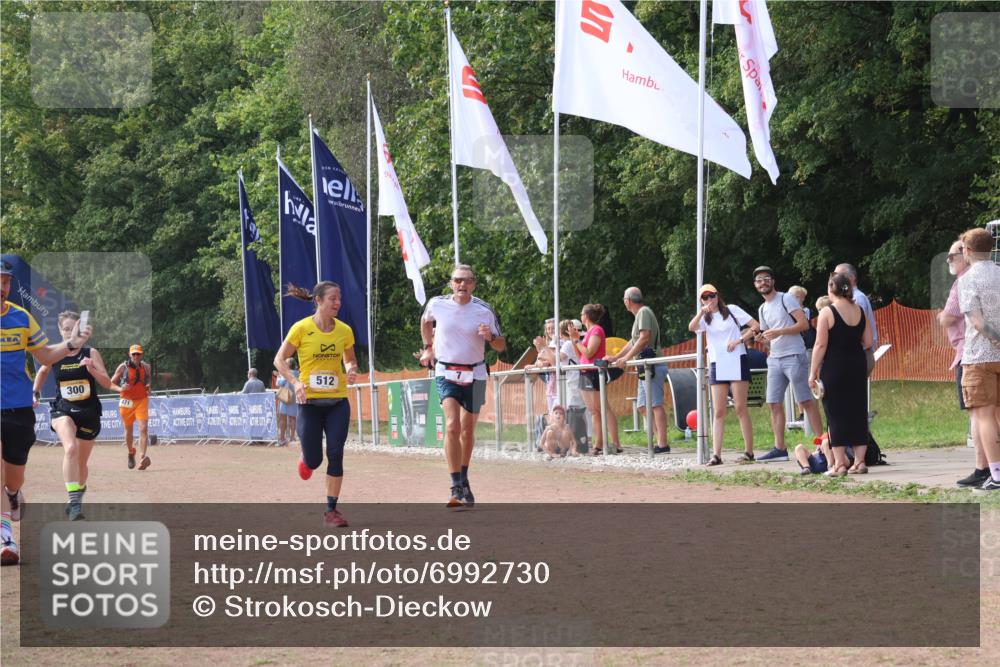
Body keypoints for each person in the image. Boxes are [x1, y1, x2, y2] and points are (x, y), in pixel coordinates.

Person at [2, 260, 92, 565]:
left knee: (13, 475)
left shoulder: (21, 317)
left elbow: (44, 356)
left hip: (17, 407)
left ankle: (12, 493)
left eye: (5, 282)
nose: (2, 288)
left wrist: (70, 343)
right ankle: (6, 538)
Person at [419, 265, 505, 507]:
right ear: (450, 284)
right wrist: (428, 347)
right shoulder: (437, 304)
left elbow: (500, 345)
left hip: (476, 373)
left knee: (467, 431)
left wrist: (490, 337)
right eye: (457, 280)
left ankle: (464, 478)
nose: (462, 285)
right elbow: (425, 321)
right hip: (446, 371)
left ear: (474, 284)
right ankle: (455, 484)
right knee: (452, 426)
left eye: (467, 281)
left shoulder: (484, 310)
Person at [274, 281, 359, 526]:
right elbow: (279, 359)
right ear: (318, 301)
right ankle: (306, 459)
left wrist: (351, 369)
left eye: (339, 298)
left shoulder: (344, 331)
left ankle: (331, 511)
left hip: (337, 403)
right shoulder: (301, 329)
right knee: (314, 460)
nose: (338, 303)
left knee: (336, 452)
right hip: (309, 403)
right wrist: (295, 382)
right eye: (332, 298)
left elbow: (350, 360)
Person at [32, 311, 120, 520]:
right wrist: (35, 392)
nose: (70, 332)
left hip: (89, 413)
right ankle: (73, 502)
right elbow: (43, 370)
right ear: (61, 331)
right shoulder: (55, 353)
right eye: (67, 329)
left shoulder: (91, 352)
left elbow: (107, 383)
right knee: (70, 448)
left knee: (81, 464)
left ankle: (77, 494)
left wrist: (91, 369)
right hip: (63, 410)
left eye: (74, 329)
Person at [751, 266, 824, 461]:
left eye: (766, 278)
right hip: (774, 358)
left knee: (806, 401)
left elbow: (804, 324)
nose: (763, 282)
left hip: (794, 355)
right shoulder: (762, 308)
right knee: (773, 403)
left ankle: (823, 443)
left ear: (773, 281)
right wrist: (762, 340)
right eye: (759, 280)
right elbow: (769, 338)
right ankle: (780, 449)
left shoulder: (786, 299)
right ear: (755, 285)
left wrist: (780, 332)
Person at [809, 273, 873, 476]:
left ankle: (839, 464)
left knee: (835, 412)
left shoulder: (827, 312)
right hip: (857, 364)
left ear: (831, 289)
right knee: (857, 411)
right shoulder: (860, 310)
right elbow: (868, 341)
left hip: (835, 366)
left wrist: (812, 372)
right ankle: (860, 462)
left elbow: (820, 345)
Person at [688, 284, 759, 465]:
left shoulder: (732, 310)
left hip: (736, 359)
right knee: (718, 410)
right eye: (705, 298)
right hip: (717, 362)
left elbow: (755, 326)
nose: (709, 300)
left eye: (711, 296)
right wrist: (701, 312)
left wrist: (739, 340)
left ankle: (749, 451)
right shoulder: (705, 318)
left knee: (740, 407)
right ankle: (716, 454)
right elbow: (691, 327)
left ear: (717, 296)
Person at [938, 238, 988, 487]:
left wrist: (941, 316)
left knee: (978, 416)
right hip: (986, 353)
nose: (950, 261)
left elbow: (949, 317)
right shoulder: (990, 276)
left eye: (952, 256)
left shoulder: (963, 282)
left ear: (965, 254)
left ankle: (983, 468)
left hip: (970, 355)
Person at [956, 228, 1000, 492]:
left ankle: (995, 473)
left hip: (979, 355)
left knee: (983, 416)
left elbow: (976, 319)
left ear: (969, 250)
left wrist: (995, 338)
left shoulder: (967, 279)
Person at [609, 287, 670, 454]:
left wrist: (626, 358)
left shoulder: (643, 312)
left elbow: (644, 338)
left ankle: (663, 444)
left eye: (624, 299)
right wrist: (616, 357)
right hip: (644, 366)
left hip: (652, 365)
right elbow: (633, 341)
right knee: (643, 406)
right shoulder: (640, 316)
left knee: (655, 404)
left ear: (628, 301)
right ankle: (659, 441)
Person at [577, 303, 622, 456]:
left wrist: (576, 341)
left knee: (600, 409)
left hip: (594, 373)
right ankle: (602, 443)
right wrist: (574, 339)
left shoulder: (596, 330)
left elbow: (589, 353)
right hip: (584, 372)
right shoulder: (588, 332)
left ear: (586, 316)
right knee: (594, 410)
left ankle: (609, 444)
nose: (580, 316)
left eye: (582, 313)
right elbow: (582, 356)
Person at [111, 344, 153, 471]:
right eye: (133, 354)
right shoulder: (123, 367)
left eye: (138, 354)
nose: (136, 356)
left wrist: (149, 387)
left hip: (141, 400)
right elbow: (111, 383)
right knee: (128, 430)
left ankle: (142, 457)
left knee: (143, 428)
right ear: (130, 355)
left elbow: (149, 380)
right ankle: (131, 452)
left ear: (142, 355)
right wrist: (120, 388)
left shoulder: (146, 367)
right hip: (126, 401)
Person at [834, 263, 879, 375]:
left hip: (858, 353)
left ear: (852, 278)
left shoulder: (856, 298)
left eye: (839, 275)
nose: (835, 279)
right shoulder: (852, 298)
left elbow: (855, 330)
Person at [558, 319, 589, 452]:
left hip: (574, 381)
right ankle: (582, 441)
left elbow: (557, 358)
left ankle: (575, 443)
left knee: (574, 413)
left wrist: (543, 349)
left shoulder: (566, 344)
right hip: (577, 379)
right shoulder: (572, 343)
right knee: (581, 412)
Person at [275, 360, 299, 448]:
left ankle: (282, 439)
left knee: (282, 418)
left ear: (288, 365)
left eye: (286, 362)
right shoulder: (297, 373)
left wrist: (278, 375)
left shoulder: (286, 373)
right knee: (293, 418)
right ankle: (292, 438)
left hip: (285, 396)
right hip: (294, 397)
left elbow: (279, 383)